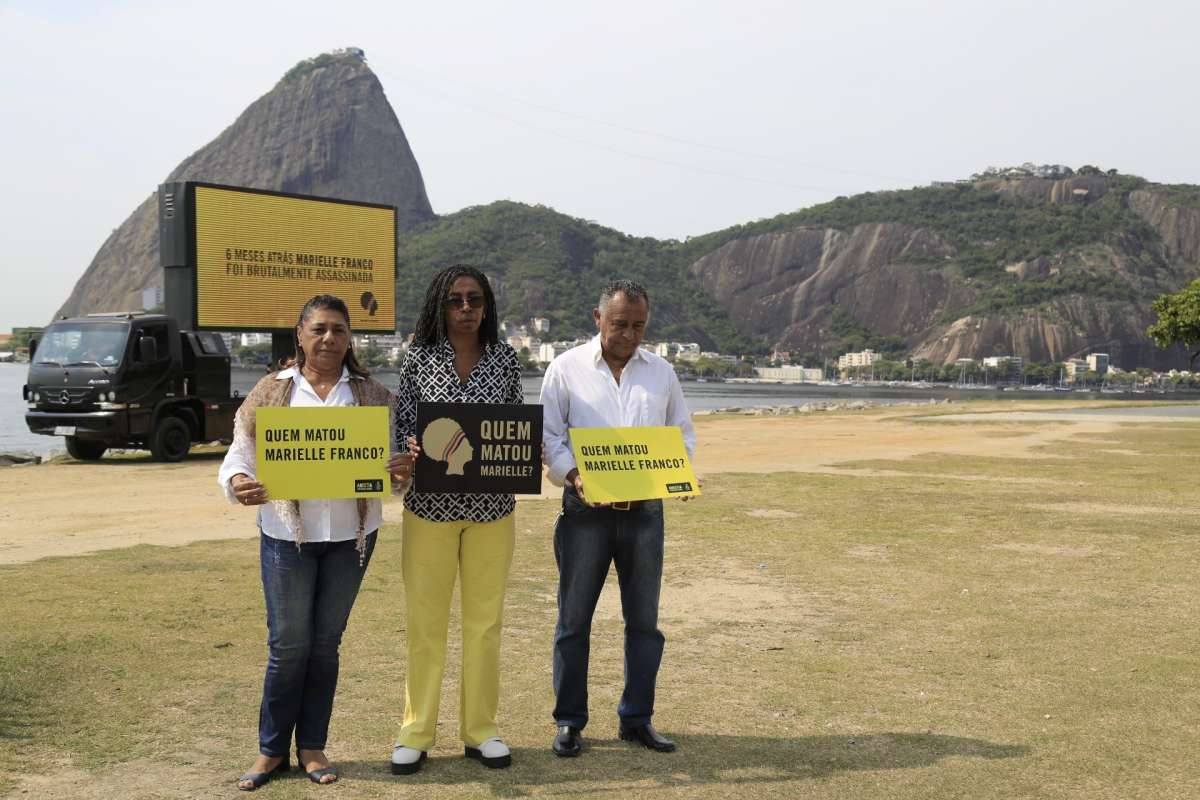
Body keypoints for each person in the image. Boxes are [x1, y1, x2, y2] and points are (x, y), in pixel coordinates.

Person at [218, 294, 413, 791]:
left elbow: (396, 468)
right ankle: (269, 751)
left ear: (350, 339)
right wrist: (240, 482)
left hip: (352, 538)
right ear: (300, 334)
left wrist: (401, 468)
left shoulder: (372, 395)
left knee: (325, 646)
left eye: (340, 331)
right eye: (320, 329)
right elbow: (239, 454)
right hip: (286, 537)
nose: (330, 339)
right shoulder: (269, 391)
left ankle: (311, 747)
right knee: (287, 647)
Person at [540, 279, 696, 757]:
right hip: (585, 511)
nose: (629, 334)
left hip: (646, 512)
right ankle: (569, 721)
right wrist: (575, 477)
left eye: (638, 325)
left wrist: (681, 475)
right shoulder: (564, 369)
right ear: (598, 318)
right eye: (619, 323)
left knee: (644, 621)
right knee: (574, 620)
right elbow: (550, 440)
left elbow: (681, 436)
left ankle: (637, 718)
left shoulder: (662, 373)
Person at [390, 265, 524, 775]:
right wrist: (409, 451)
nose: (465, 308)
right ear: (440, 307)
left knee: (485, 624)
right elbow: (405, 429)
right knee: (425, 626)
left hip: (492, 512)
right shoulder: (417, 360)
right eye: (455, 300)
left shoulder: (506, 360)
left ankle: (481, 730)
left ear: (486, 306)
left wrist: (523, 450)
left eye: (474, 300)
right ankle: (415, 731)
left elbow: (512, 424)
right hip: (429, 510)